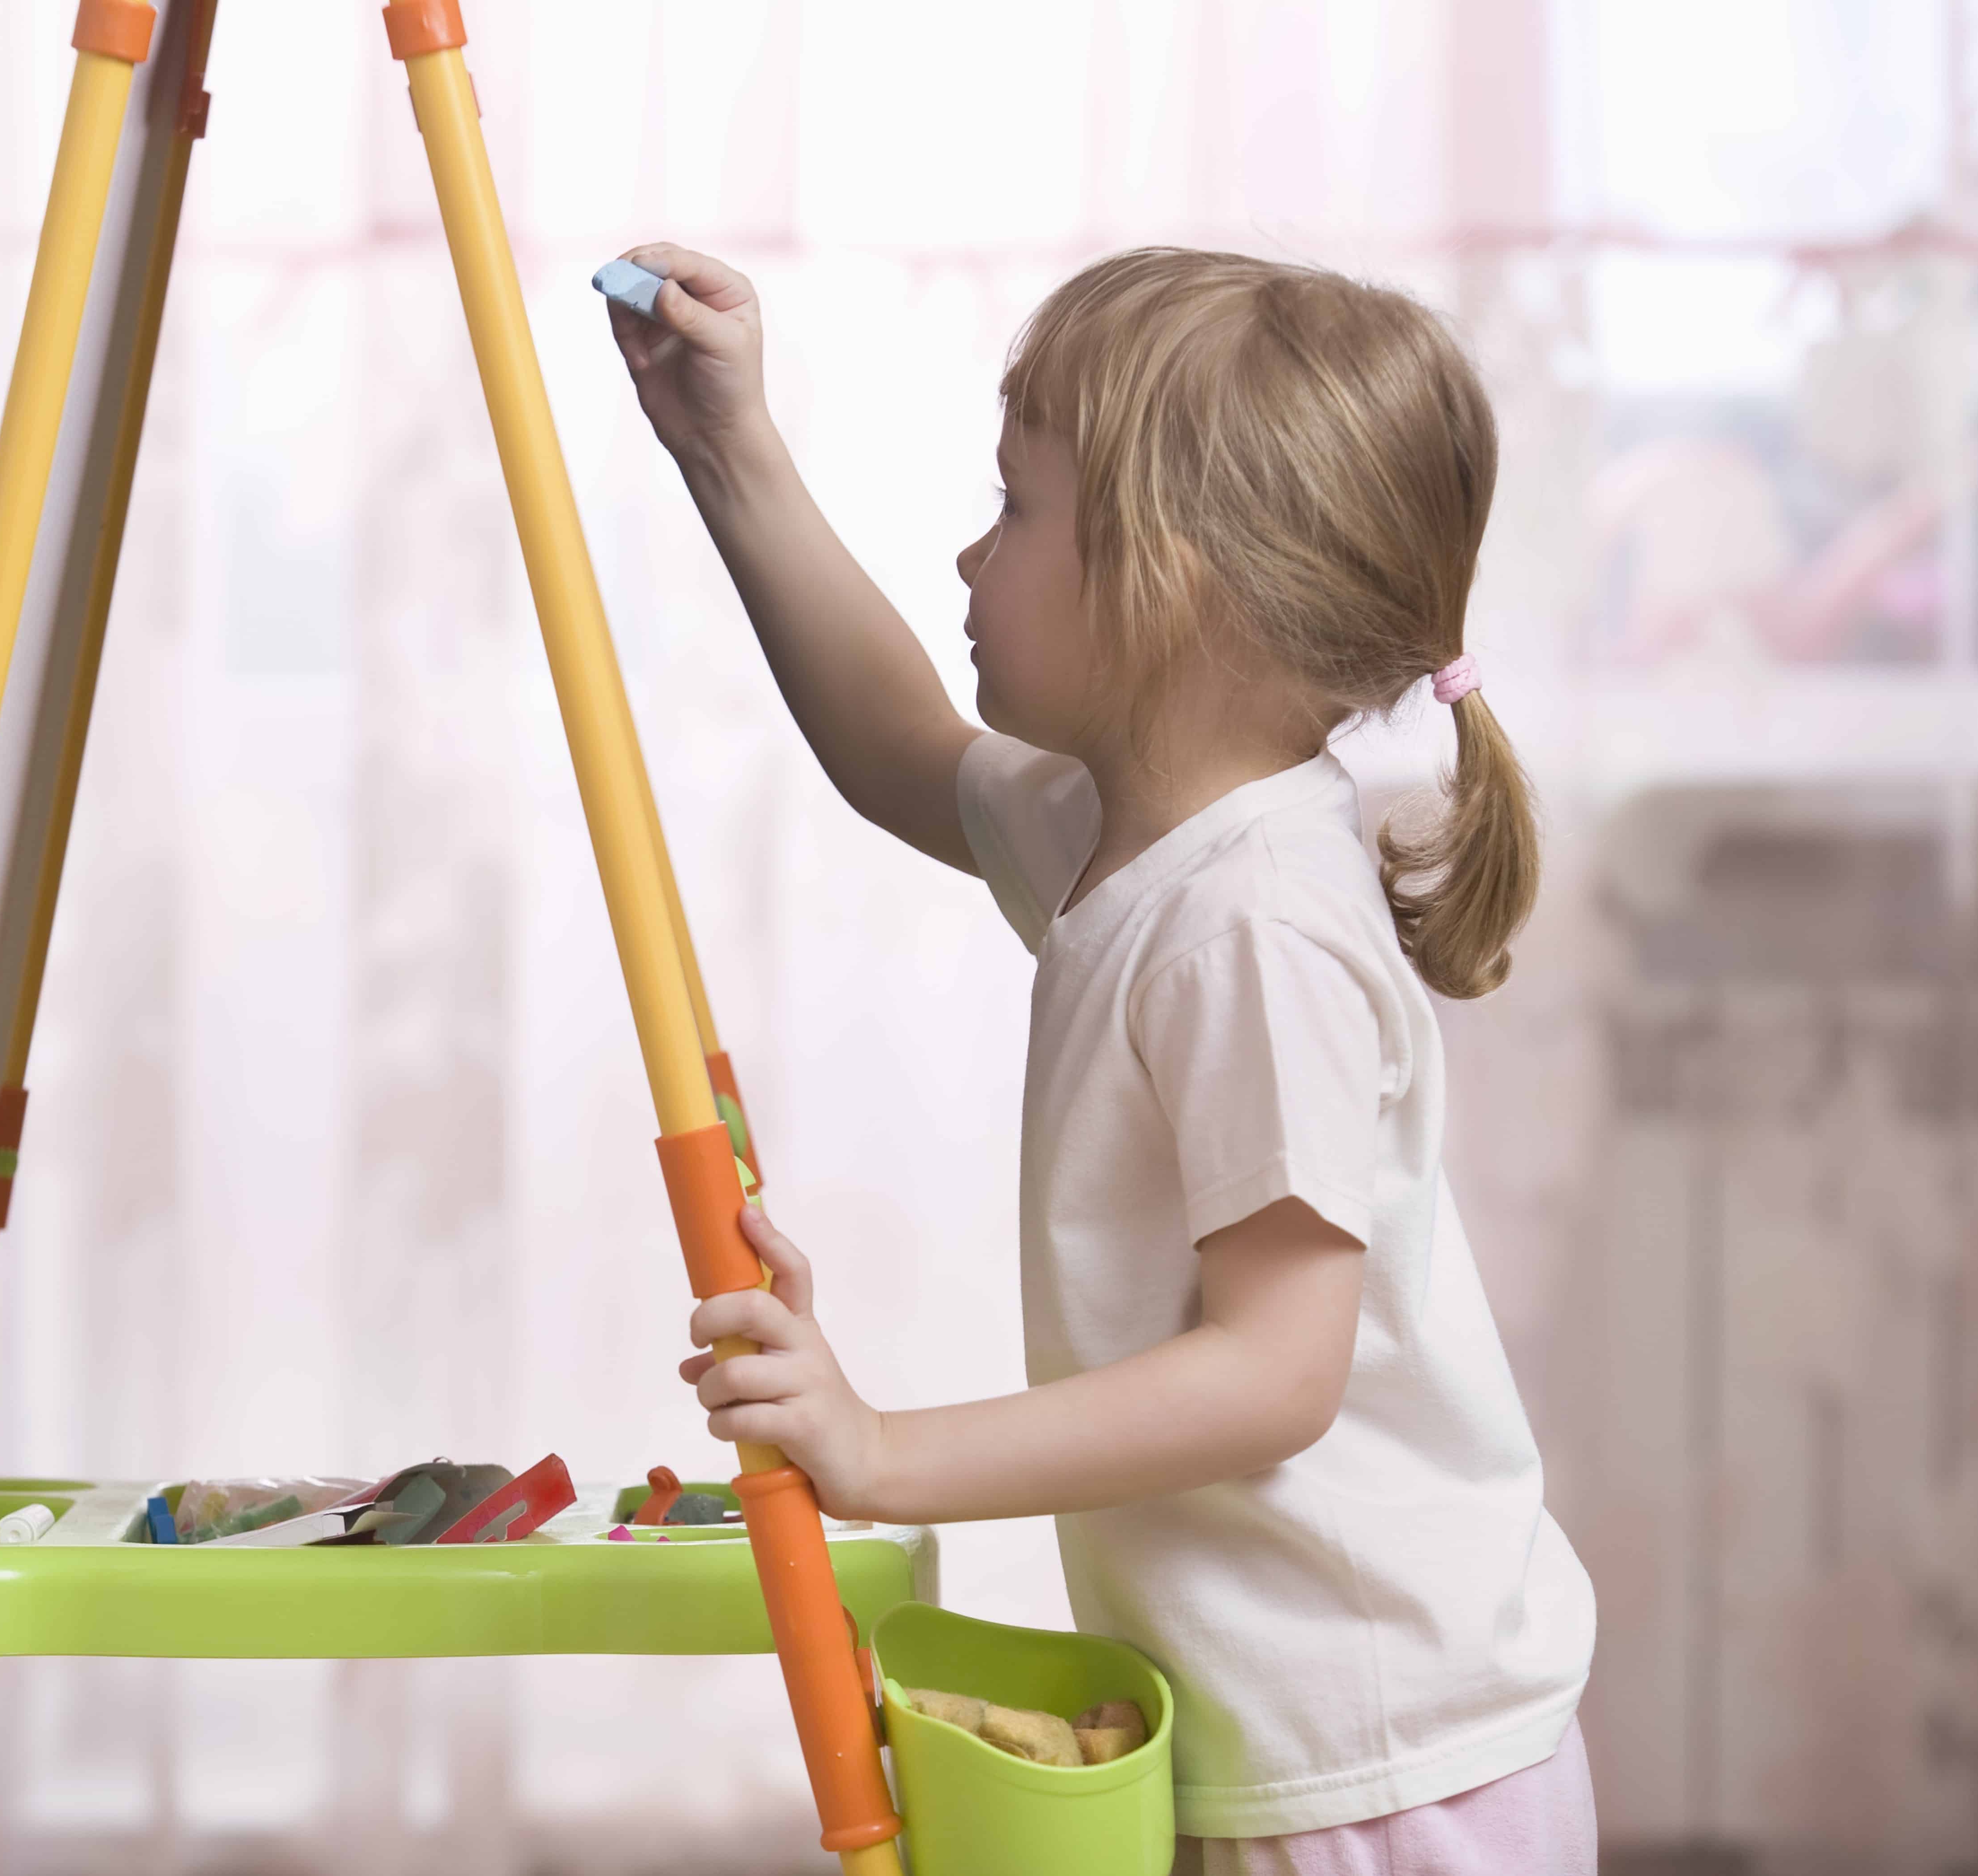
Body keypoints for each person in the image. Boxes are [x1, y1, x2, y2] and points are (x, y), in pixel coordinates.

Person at [606, 242, 1598, 1874]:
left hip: (1382, 1772)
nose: (969, 556)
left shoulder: (1255, 920)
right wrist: (730, 449)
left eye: (1014, 509)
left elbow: (1280, 1371)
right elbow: (900, 750)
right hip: (1304, 1741)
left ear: (1170, 582)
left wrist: (887, 1451)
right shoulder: (1130, 839)